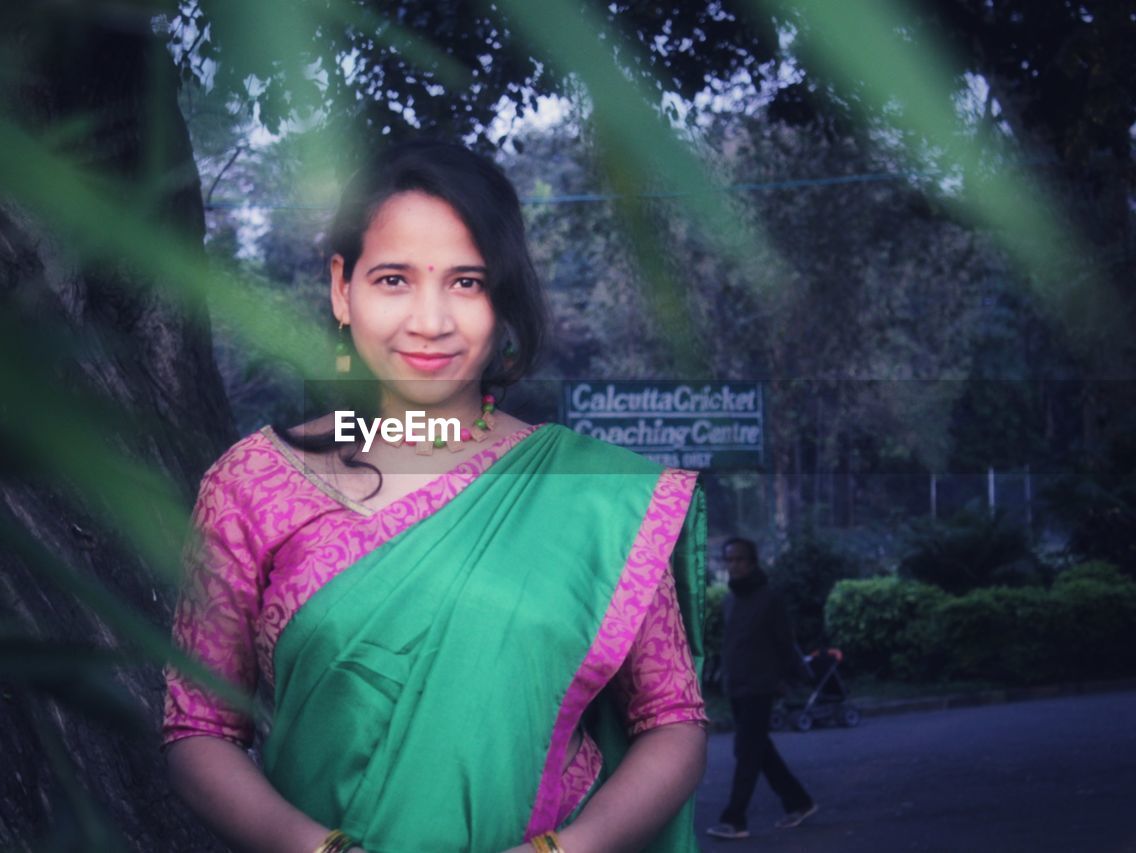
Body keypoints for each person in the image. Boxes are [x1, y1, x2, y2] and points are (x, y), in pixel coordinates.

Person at [161, 139, 711, 853]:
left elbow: (673, 717)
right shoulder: (252, 484)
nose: (430, 320)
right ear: (341, 288)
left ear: (503, 298)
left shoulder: (593, 495)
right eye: (393, 279)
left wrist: (566, 852)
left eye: (467, 282)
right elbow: (197, 727)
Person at [705, 537, 817, 840]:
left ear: (752, 562)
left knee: (747, 752)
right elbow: (732, 645)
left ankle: (734, 819)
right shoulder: (730, 601)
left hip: (760, 686)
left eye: (740, 559)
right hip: (737, 686)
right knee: (758, 749)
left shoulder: (769, 599)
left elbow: (784, 642)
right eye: (729, 560)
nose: (734, 565)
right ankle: (799, 800)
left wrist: (793, 678)